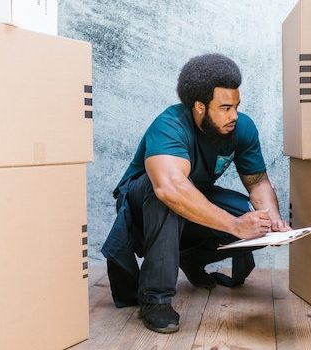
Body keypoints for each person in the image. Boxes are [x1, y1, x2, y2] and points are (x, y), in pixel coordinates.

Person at [100, 53, 291, 334]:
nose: (234, 115)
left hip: (191, 198)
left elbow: (258, 181)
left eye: (236, 106)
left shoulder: (242, 128)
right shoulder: (170, 124)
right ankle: (155, 299)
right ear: (199, 107)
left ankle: (192, 258)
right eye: (225, 107)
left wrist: (273, 221)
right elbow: (170, 187)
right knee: (167, 196)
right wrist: (235, 226)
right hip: (144, 206)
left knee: (256, 219)